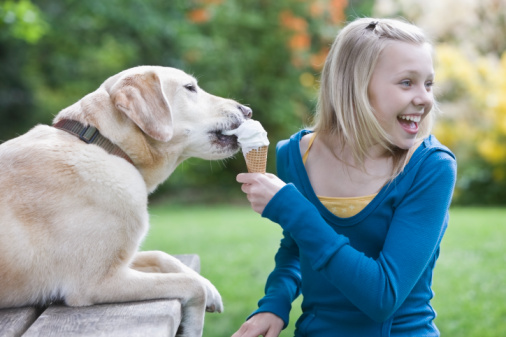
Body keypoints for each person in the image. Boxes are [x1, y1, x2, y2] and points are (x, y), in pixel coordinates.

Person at [232, 17, 457, 337]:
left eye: (428, 83)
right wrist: (275, 302)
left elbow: (382, 297)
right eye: (407, 82)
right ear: (355, 86)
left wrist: (292, 209)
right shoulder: (295, 156)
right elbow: (297, 248)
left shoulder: (430, 168)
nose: (424, 98)